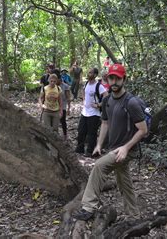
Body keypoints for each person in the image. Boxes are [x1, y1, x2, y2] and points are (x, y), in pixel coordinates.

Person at [72, 63, 148, 221]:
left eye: (117, 79)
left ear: (124, 79)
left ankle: (88, 207)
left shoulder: (131, 102)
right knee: (124, 182)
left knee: (99, 167)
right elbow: (105, 123)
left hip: (127, 149)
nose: (113, 82)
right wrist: (99, 145)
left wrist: (126, 148)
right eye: (111, 78)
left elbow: (143, 130)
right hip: (114, 148)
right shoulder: (107, 100)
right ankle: (134, 215)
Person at [75, 67, 107, 157]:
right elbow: (83, 92)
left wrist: (99, 105)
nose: (88, 74)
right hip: (85, 112)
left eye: (90, 73)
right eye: (88, 72)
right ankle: (79, 149)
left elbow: (106, 96)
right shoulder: (86, 84)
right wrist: (84, 101)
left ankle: (90, 151)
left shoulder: (98, 86)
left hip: (94, 113)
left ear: (95, 75)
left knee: (91, 133)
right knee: (81, 131)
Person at [55, 69, 71, 137]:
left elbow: (68, 98)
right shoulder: (53, 86)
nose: (55, 81)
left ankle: (65, 135)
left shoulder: (65, 86)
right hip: (54, 106)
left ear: (60, 79)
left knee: (63, 121)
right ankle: (55, 135)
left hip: (63, 106)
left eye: (56, 80)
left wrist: (69, 108)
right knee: (55, 121)